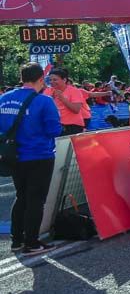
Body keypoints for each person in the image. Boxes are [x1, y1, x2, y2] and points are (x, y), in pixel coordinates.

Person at [1, 63, 62, 255]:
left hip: (13, 155)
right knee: (35, 200)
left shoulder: (4, 99)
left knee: (21, 196)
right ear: (41, 79)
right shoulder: (44, 101)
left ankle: (16, 240)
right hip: (39, 155)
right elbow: (54, 130)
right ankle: (32, 242)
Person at [45, 67, 87, 135]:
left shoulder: (74, 91)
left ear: (64, 80)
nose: (52, 82)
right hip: (54, 125)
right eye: (50, 80)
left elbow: (76, 110)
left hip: (72, 126)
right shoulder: (48, 91)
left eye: (55, 80)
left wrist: (63, 99)